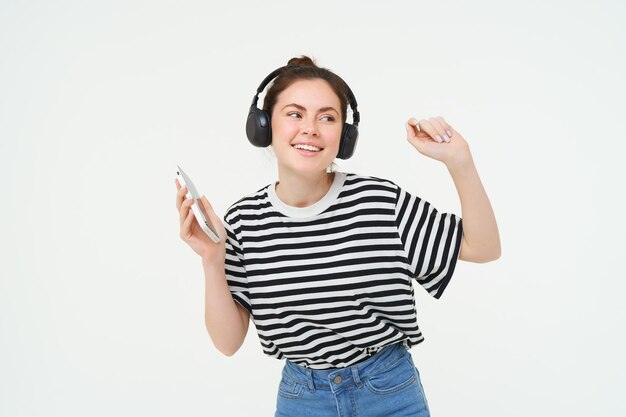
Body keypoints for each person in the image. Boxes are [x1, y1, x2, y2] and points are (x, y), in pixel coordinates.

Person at [174, 55, 501, 417]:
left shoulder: (378, 202)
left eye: (327, 117)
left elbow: (483, 247)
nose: (311, 128)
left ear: (344, 136)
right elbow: (227, 342)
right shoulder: (244, 222)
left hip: (388, 389)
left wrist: (459, 160)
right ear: (264, 126)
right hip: (303, 398)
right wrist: (212, 260)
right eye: (295, 114)